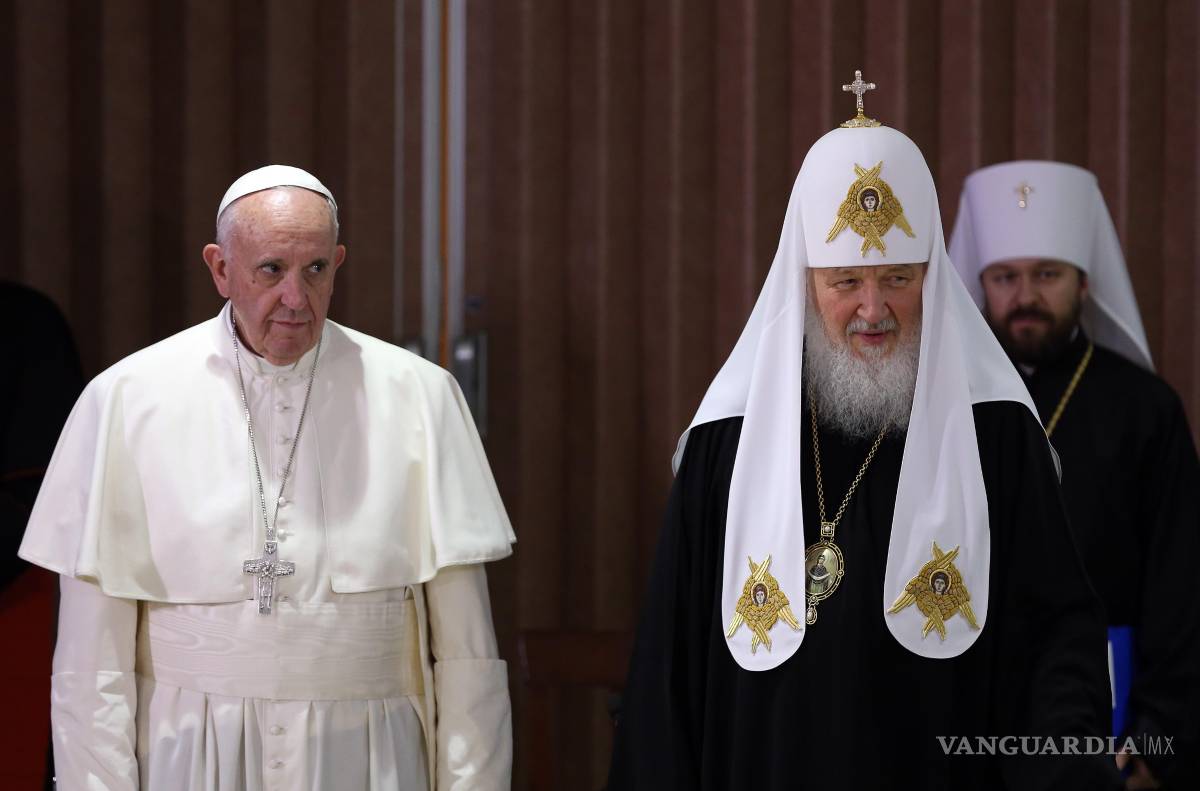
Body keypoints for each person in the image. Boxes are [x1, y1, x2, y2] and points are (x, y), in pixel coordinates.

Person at [607, 77, 1121, 790]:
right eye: (845, 280)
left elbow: (1055, 639)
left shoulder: (997, 433)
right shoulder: (728, 443)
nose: (872, 309)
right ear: (804, 284)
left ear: (932, 281)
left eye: (898, 278)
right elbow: (670, 671)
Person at [18, 165, 516, 791]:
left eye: (315, 270)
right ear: (220, 269)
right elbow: (91, 664)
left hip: (369, 757)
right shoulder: (126, 398)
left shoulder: (421, 396)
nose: (296, 299)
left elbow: (469, 653)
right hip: (188, 754)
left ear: (338, 262)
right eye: (271, 270)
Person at [949, 160, 1200, 790]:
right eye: (1005, 277)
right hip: (968, 703)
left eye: (1046, 275)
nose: (1025, 296)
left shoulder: (1145, 410)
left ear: (1085, 282)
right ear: (980, 282)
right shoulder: (944, 401)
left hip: (1108, 716)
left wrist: (1157, 741)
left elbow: (1183, 587)